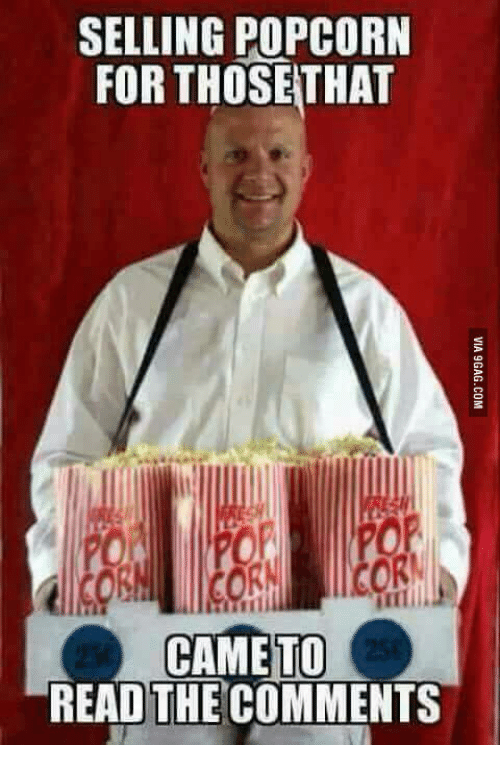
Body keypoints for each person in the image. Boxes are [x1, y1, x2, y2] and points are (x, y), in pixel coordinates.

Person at [28, 55, 469, 744]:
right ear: (204, 168)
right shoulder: (131, 303)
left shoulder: (366, 310)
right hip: (160, 650)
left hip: (322, 655)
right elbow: (67, 453)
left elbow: (429, 449)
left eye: (278, 152)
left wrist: (437, 569)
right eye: (236, 153)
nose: (258, 173)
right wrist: (61, 573)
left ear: (306, 168)